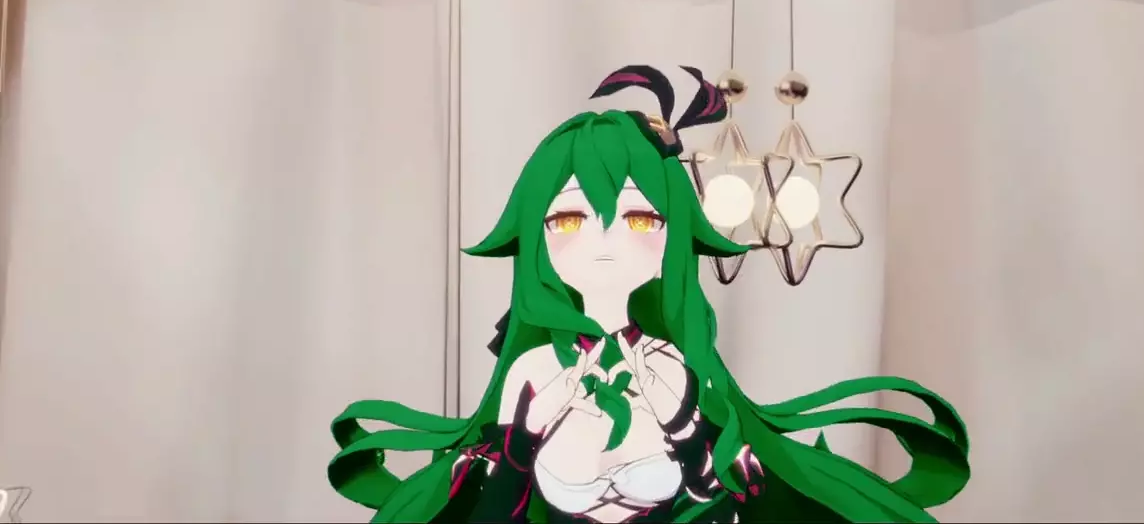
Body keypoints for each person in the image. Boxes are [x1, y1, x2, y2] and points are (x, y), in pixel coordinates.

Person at [327, 65, 970, 523]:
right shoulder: (533, 371)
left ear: (673, 235)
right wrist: (522, 443)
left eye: (638, 219)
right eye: (568, 219)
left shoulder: (672, 367)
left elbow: (732, 501)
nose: (602, 243)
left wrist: (687, 431)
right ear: (535, 234)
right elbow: (491, 512)